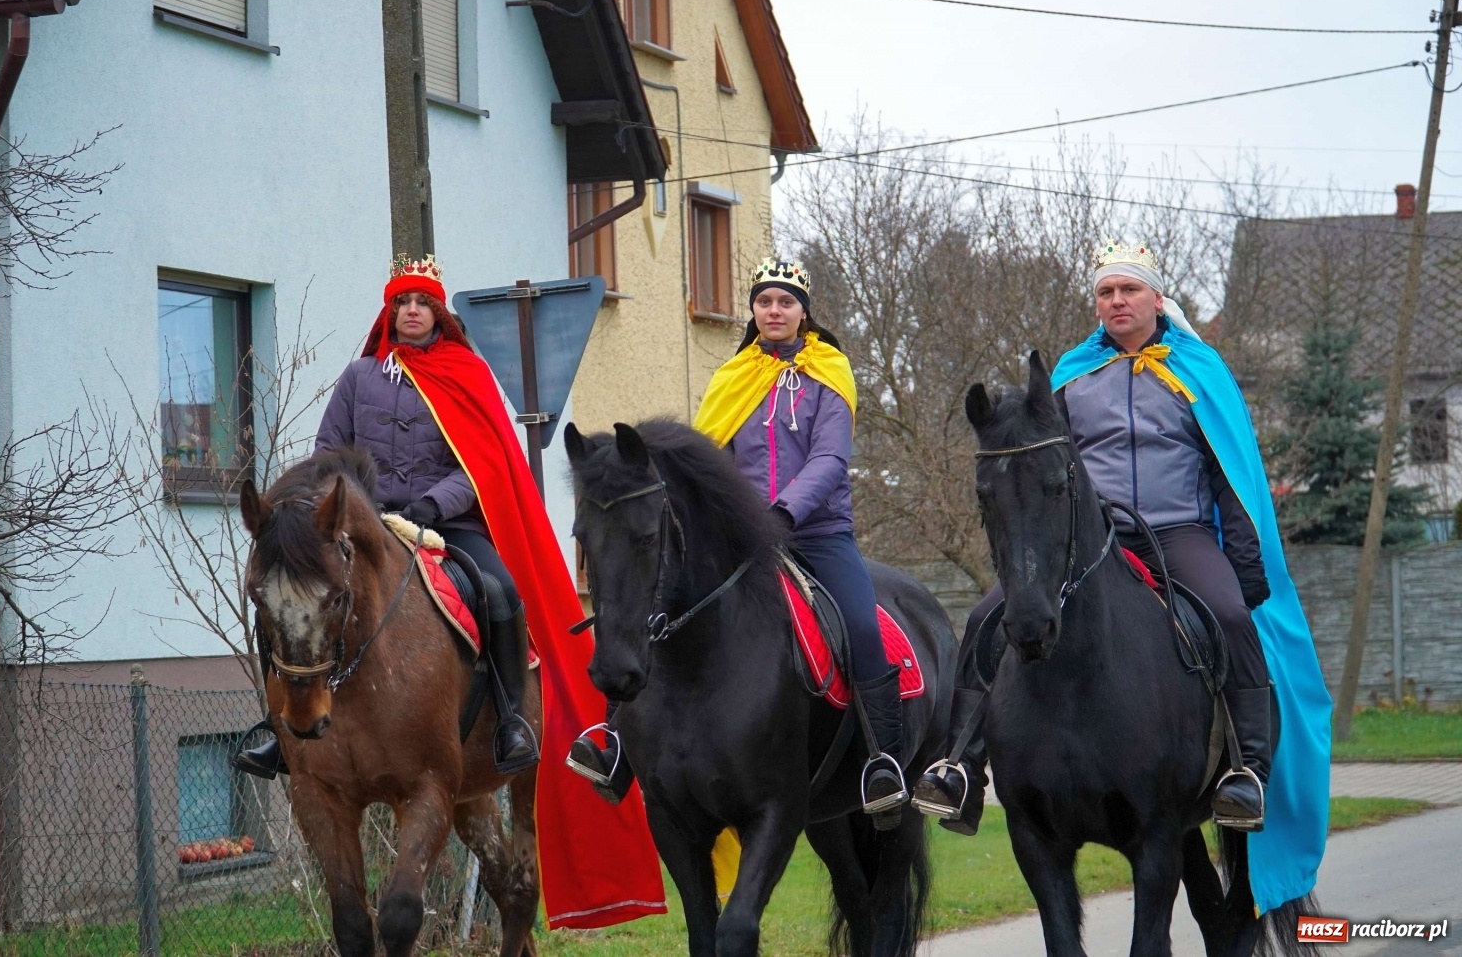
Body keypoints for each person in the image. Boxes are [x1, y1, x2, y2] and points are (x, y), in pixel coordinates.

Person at [914, 241, 1329, 854]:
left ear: (1156, 298)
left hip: (1179, 533)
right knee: (983, 618)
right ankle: (961, 768)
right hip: (1091, 540)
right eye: (1106, 292)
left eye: (1128, 289)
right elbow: (1040, 468)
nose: (1117, 301)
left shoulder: (1200, 372)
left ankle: (1247, 774)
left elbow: (1232, 473)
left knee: (1232, 617)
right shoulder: (1071, 375)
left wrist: (1245, 565)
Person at [568, 257, 910, 818]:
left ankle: (883, 763)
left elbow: (829, 459)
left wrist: (785, 513)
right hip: (743, 535)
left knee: (861, 625)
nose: (775, 311)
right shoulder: (732, 377)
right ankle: (615, 746)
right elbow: (712, 461)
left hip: (817, 533)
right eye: (764, 302)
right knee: (657, 605)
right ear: (753, 311)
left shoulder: (831, 372)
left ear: (804, 313)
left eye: (786, 302)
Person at [233, 254, 538, 779]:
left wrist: (433, 504)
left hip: (446, 522)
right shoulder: (359, 376)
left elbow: (481, 465)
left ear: (439, 314)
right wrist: (348, 508)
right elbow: (328, 453)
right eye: (403, 302)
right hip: (364, 524)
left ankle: (512, 720)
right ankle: (277, 729)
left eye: (423, 302)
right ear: (389, 312)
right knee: (286, 597)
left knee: (499, 590)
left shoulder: (468, 375)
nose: (412, 310)